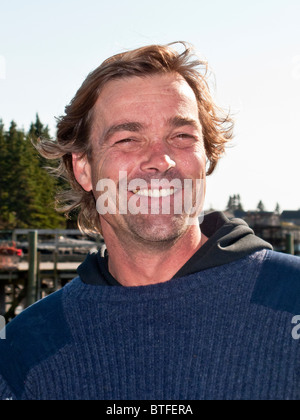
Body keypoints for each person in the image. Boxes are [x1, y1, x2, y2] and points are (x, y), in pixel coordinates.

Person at [0, 42, 300, 401]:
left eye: (182, 136)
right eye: (128, 139)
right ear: (84, 169)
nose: (161, 160)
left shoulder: (291, 299)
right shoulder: (26, 348)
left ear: (206, 156)